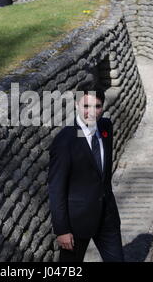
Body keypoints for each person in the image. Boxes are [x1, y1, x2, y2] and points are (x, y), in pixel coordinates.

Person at [48, 82, 124, 262]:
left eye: (97, 106)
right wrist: (62, 230)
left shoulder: (105, 128)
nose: (92, 112)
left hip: (107, 217)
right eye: (86, 106)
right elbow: (56, 188)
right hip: (77, 223)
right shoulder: (65, 142)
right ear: (76, 105)